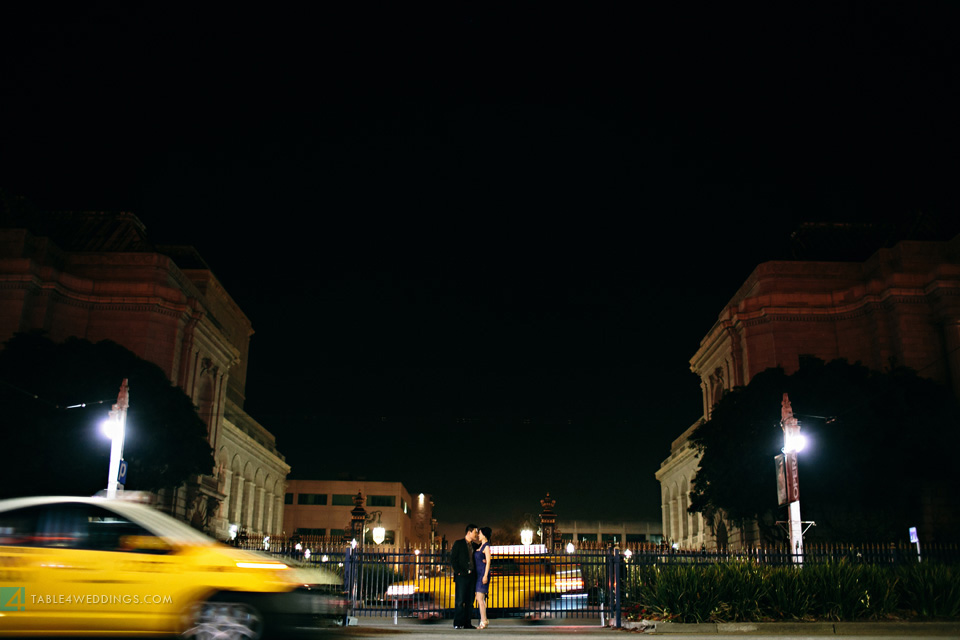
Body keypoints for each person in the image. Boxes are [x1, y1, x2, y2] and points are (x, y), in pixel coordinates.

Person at [450, 524, 478, 629]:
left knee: (470, 601)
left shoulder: (475, 546)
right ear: (469, 532)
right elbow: (453, 559)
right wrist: (459, 572)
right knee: (460, 601)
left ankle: (467, 623)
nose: (476, 535)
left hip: (472, 577)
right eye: (475, 532)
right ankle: (458, 623)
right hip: (462, 576)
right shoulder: (459, 543)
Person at [474, 526, 493, 629]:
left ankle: (484, 620)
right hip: (479, 574)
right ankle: (484, 620)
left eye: (480, 533)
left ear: (484, 535)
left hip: (482, 574)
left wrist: (485, 575)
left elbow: (488, 561)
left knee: (480, 598)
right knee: (479, 598)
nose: (478, 535)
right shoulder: (481, 546)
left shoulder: (486, 546)